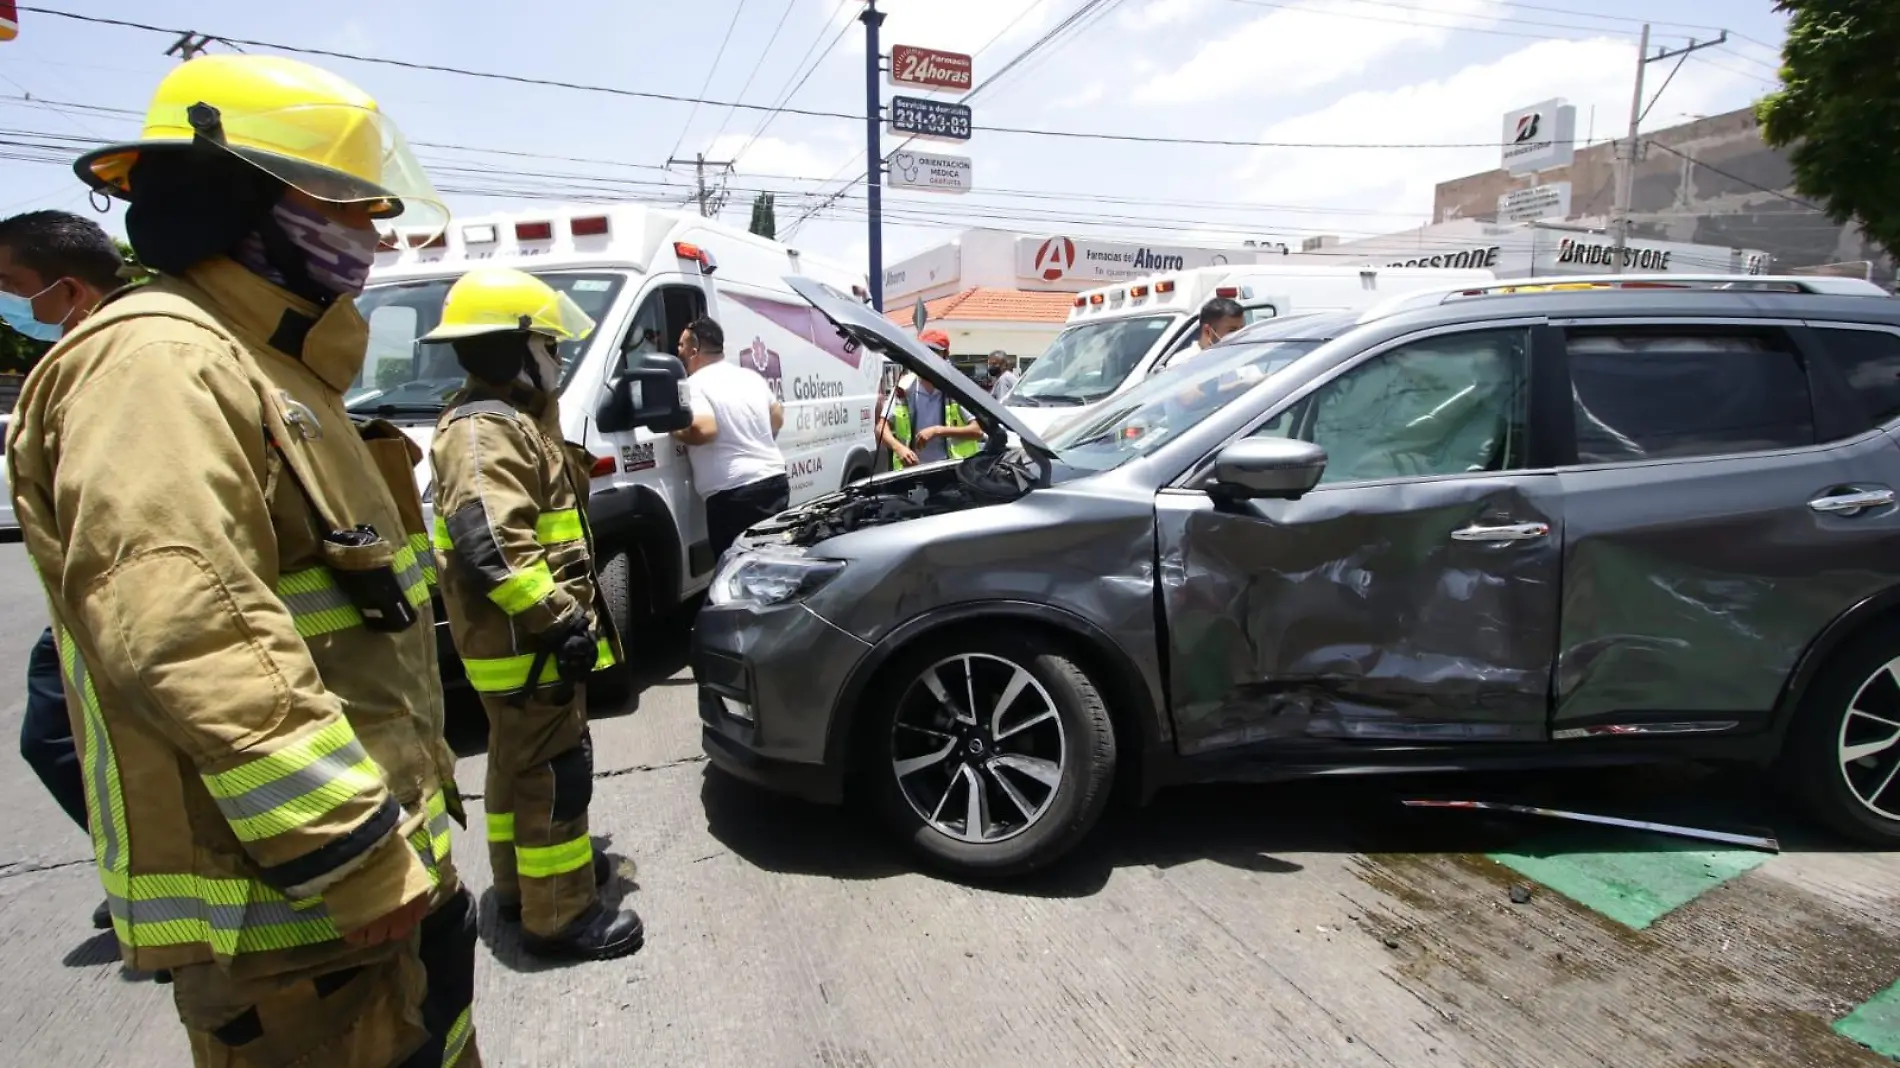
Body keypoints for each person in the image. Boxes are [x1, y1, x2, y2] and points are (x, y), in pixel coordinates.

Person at [9, 54, 481, 1065]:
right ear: (245, 205)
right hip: (298, 924)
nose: (371, 235)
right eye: (349, 208)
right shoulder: (160, 364)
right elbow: (190, 633)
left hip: (359, 904)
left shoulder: (262, 362)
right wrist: (351, 857)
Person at [422, 266, 640, 962]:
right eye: (547, 345)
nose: (558, 357)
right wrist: (562, 621)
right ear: (507, 350)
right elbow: (492, 545)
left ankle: (522, 891)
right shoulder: (485, 432)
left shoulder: (503, 421)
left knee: (518, 767)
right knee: (554, 774)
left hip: (520, 646)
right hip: (529, 645)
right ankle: (560, 916)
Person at [0, 210, 126, 932]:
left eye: (13, 284)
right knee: (62, 737)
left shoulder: (121, 365)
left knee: (51, 734)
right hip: (83, 604)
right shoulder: (83, 360)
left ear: (69, 288)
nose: (12, 300)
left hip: (110, 603)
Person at [670, 317, 788, 558]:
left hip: (734, 495)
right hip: (773, 481)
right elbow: (777, 418)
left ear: (694, 351)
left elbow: (704, 430)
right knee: (773, 561)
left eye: (681, 345)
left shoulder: (694, 385)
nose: (677, 350)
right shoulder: (749, 377)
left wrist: (673, 428)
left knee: (738, 572)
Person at [877, 330, 982, 470]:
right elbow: (880, 428)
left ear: (945, 355)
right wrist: (899, 448)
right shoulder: (904, 387)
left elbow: (977, 431)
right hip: (912, 472)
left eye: (933, 352)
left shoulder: (957, 388)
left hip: (951, 472)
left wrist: (938, 431)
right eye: (922, 351)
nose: (926, 358)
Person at [1175, 296, 1247, 362]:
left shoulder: (1245, 359)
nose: (1239, 335)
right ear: (1207, 331)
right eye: (1232, 330)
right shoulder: (1182, 363)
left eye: (1242, 329)